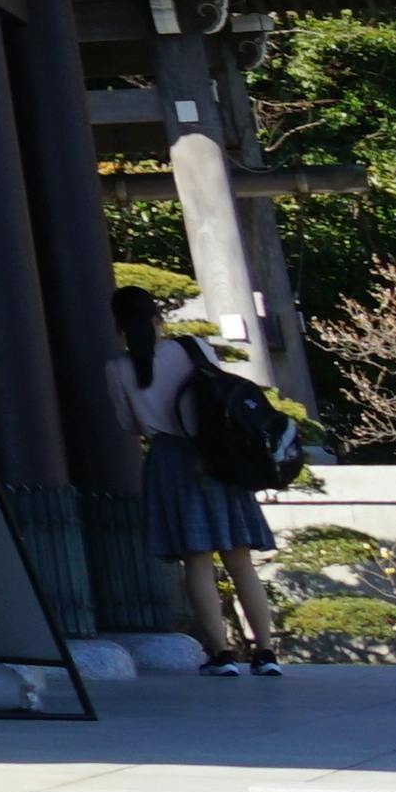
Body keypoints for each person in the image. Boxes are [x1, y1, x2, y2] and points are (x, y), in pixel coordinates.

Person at [113, 281, 285, 673]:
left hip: (169, 459)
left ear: (119, 326)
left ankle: (221, 654)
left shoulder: (118, 369)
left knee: (197, 563)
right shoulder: (192, 347)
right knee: (240, 560)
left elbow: (129, 423)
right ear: (158, 317)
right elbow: (224, 395)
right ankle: (265, 652)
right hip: (217, 453)